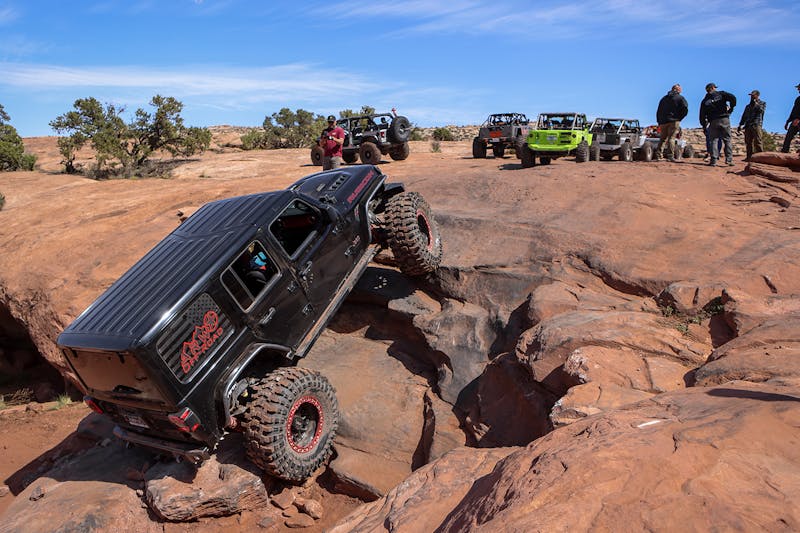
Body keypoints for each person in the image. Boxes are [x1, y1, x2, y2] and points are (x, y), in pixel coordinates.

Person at [699, 83, 737, 166]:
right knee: (727, 139)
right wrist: (731, 108)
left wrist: (704, 126)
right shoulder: (721, 94)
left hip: (713, 121)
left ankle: (713, 160)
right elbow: (733, 98)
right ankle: (729, 160)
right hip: (724, 119)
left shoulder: (705, 101)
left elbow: (702, 114)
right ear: (713, 88)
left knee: (713, 140)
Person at [655, 84, 689, 161]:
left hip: (663, 121)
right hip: (674, 121)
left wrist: (659, 121)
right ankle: (670, 156)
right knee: (672, 138)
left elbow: (658, 110)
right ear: (678, 90)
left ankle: (658, 156)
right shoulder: (680, 98)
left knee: (662, 139)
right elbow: (685, 108)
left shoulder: (664, 98)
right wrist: (680, 118)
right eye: (680, 89)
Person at [737, 90, 766, 161]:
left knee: (758, 141)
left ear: (757, 95)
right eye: (751, 96)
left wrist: (756, 103)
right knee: (748, 142)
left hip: (756, 124)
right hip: (748, 125)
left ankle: (761, 158)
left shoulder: (762, 103)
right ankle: (749, 157)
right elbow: (744, 116)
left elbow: (761, 111)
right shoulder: (748, 106)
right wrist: (740, 125)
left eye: (753, 95)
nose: (751, 97)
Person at [781, 83, 800, 153]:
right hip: (794, 120)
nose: (798, 89)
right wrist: (788, 121)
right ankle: (784, 152)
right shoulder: (798, 99)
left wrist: (799, 119)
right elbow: (794, 110)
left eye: (799, 88)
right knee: (788, 137)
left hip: (798, 120)